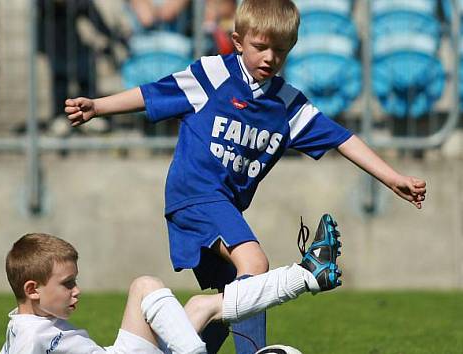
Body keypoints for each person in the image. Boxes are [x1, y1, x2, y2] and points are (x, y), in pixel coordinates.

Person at [64, 0, 427, 352]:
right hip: (195, 194)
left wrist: (392, 178)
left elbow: (341, 138)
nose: (270, 57)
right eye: (261, 47)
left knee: (238, 300)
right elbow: (151, 94)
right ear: (238, 42)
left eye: (281, 50)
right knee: (255, 265)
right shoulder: (213, 75)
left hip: (224, 206)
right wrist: (98, 106)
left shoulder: (286, 105)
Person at [0, 220, 341, 354]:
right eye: (67, 283)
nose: (77, 290)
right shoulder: (29, 337)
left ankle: (307, 274)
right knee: (145, 286)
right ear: (33, 289)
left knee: (200, 306)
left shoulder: (25, 324)